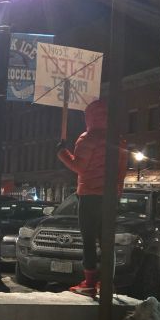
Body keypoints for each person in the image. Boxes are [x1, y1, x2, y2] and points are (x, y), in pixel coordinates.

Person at [56, 97, 128, 298]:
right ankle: (106, 283)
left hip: (89, 195)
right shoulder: (118, 140)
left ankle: (89, 283)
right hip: (109, 197)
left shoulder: (88, 138)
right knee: (107, 241)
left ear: (89, 117)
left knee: (88, 239)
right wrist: (117, 191)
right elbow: (122, 172)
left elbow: (79, 166)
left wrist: (62, 153)